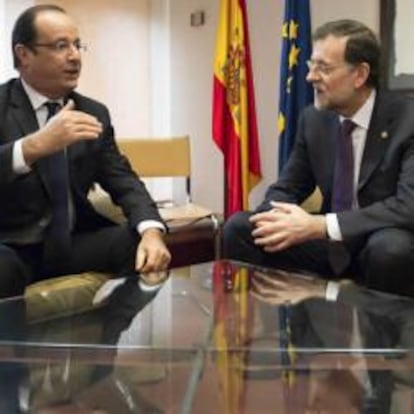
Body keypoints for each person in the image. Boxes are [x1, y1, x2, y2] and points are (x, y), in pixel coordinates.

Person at [223, 19, 414, 295]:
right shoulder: (314, 119)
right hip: (329, 247)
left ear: (359, 75)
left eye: (323, 68)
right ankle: (261, 325)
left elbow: (407, 206)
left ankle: (384, 335)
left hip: (380, 239)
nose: (310, 77)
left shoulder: (407, 120)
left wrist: (321, 225)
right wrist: (272, 218)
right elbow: (288, 187)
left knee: (390, 249)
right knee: (241, 227)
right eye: (311, 66)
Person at [0, 4, 171, 298]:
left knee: (138, 245)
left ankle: (107, 337)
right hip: (12, 246)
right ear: (24, 54)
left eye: (77, 45)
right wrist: (33, 147)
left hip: (73, 241)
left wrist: (152, 231)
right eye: (60, 46)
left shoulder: (92, 112)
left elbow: (124, 181)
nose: (74, 56)